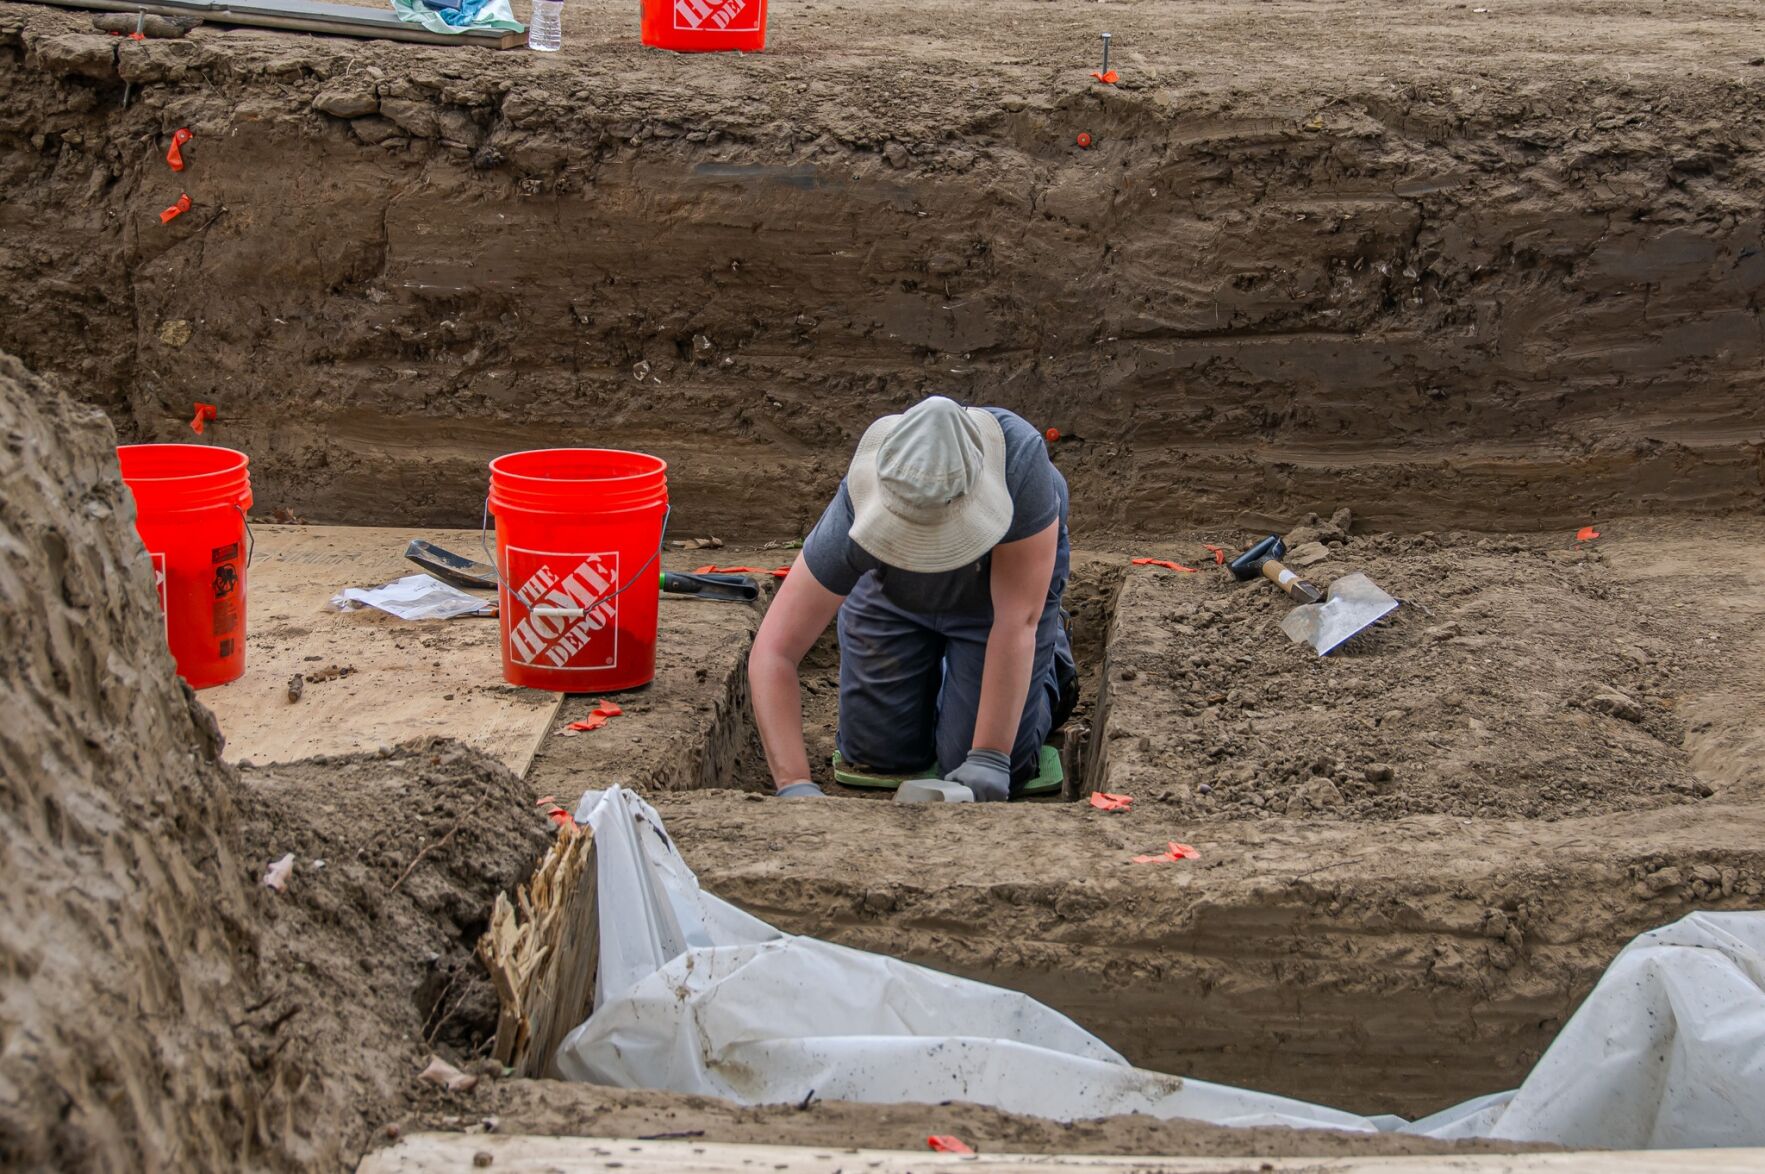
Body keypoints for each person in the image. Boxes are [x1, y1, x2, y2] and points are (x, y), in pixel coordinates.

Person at [749, 395, 1076, 802]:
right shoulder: (861, 498)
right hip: (894, 593)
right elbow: (774, 650)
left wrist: (991, 756)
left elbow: (1016, 621)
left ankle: (1050, 664)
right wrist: (794, 783)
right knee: (876, 753)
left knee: (972, 760)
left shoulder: (1019, 468)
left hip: (997, 598)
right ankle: (948, 668)